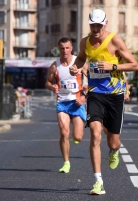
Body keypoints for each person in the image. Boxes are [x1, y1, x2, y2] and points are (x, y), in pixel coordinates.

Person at [69, 9, 138, 195]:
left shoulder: (114, 41)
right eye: (93, 25)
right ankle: (98, 181)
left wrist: (113, 66)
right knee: (95, 132)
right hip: (95, 93)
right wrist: (75, 68)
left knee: (113, 143)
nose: (96, 28)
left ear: (105, 23)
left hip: (115, 95)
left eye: (99, 25)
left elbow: (135, 64)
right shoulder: (85, 41)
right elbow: (81, 58)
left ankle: (114, 150)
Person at [45, 37, 87, 174]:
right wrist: (52, 87)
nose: (64, 51)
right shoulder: (54, 65)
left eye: (67, 48)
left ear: (71, 48)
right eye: (62, 48)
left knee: (78, 137)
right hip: (62, 102)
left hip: (77, 103)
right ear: (59, 49)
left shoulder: (79, 62)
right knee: (63, 132)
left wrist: (84, 97)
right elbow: (47, 82)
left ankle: (76, 137)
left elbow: (92, 81)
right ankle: (66, 162)